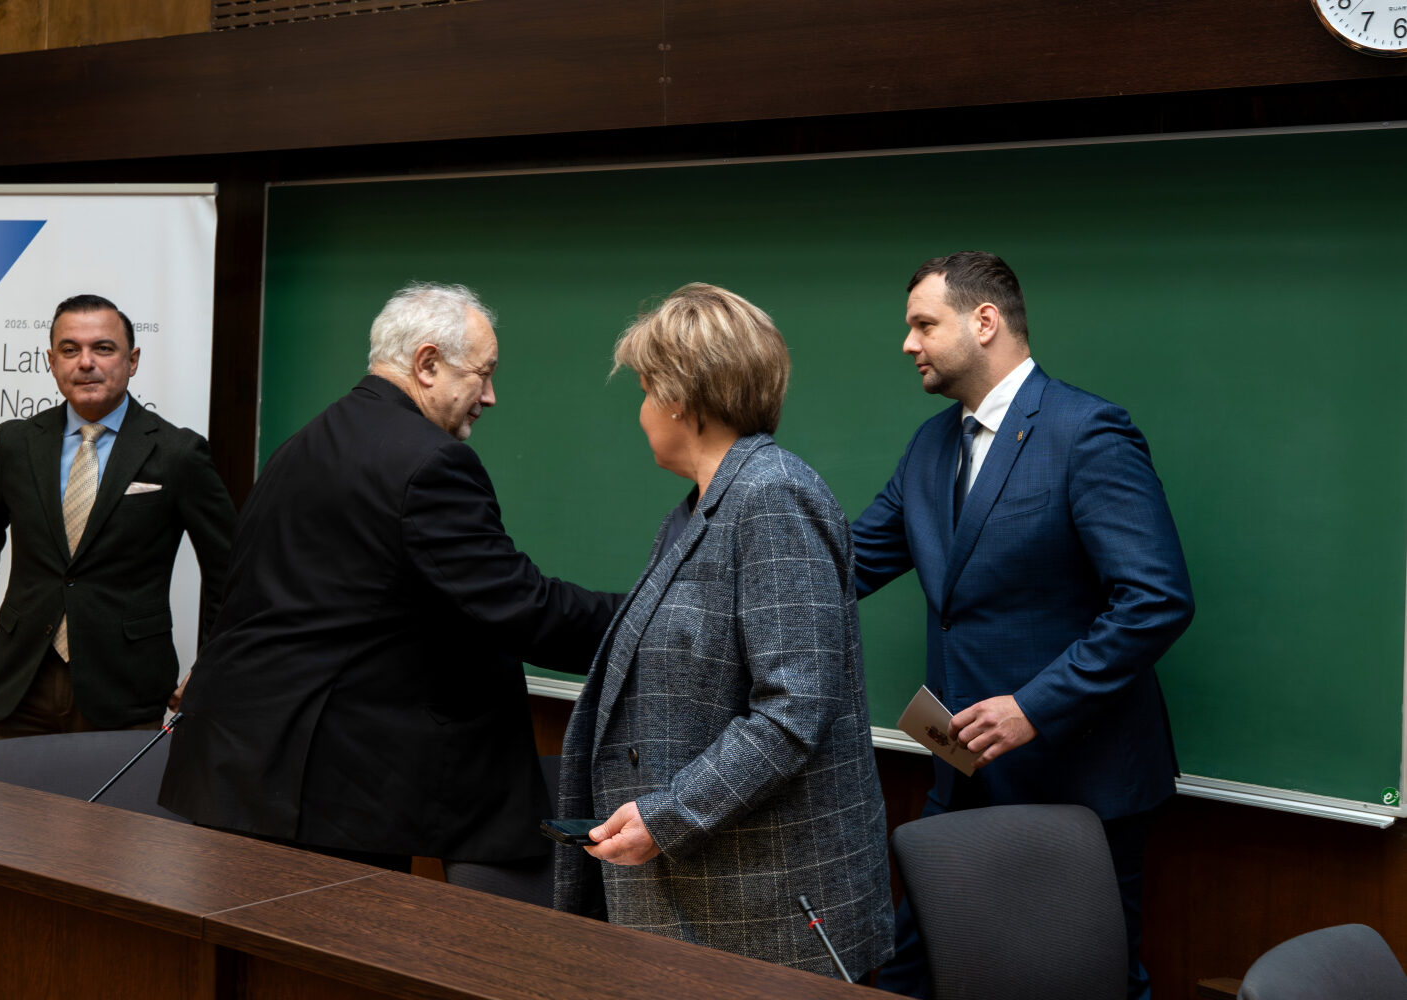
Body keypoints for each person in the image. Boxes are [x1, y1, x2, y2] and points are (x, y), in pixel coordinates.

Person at [159, 282, 619, 870]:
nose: (490, 396)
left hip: (242, 767)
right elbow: (519, 607)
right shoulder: (430, 462)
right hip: (325, 790)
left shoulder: (302, 443)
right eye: (483, 374)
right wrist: (649, 616)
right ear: (427, 364)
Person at [853, 252, 1195, 999]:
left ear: (984, 321)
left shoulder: (1087, 432)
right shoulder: (930, 446)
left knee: (1091, 983)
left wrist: (1033, 707)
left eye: (923, 324)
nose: (908, 344)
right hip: (959, 771)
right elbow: (848, 565)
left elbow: (1156, 599)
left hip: (1078, 783)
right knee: (911, 972)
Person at [554, 283, 894, 981]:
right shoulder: (698, 509)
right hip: (702, 898)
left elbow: (793, 711)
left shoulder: (773, 496)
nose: (641, 411)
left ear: (679, 397)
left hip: (762, 915)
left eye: (645, 390)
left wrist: (668, 815)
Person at [0, 293, 236, 774]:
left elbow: (230, 569)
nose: (85, 362)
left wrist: (210, 667)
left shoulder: (178, 454)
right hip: (17, 683)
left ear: (132, 360)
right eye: (70, 349)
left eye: (103, 348)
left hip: (126, 691)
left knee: (113, 824)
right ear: (51, 361)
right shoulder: (16, 444)